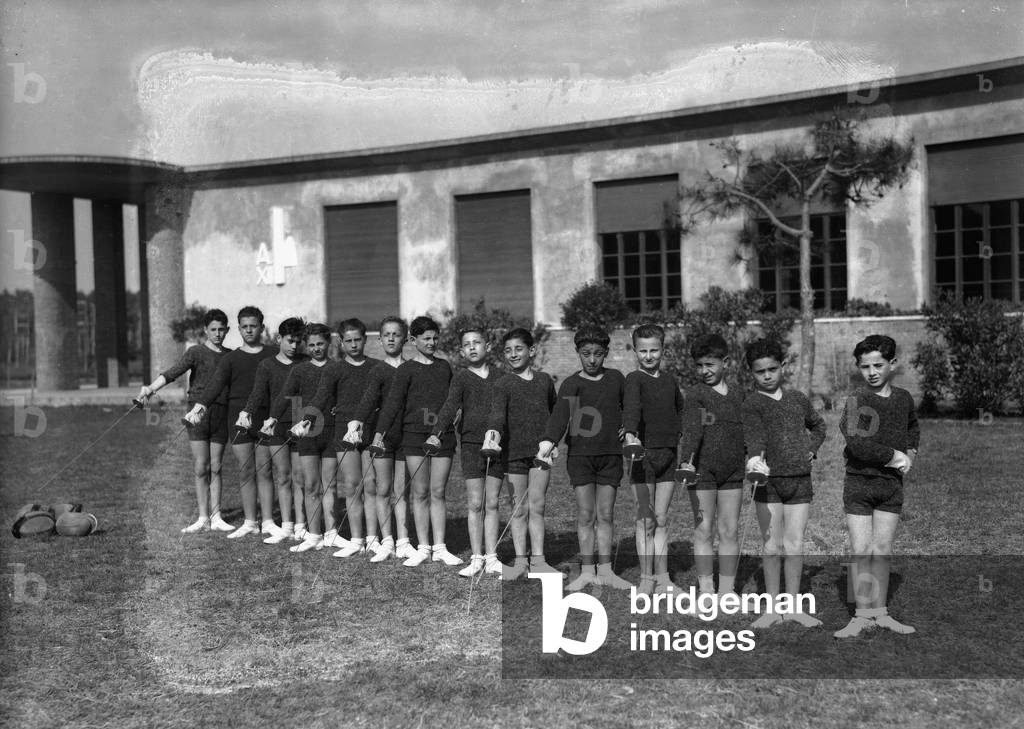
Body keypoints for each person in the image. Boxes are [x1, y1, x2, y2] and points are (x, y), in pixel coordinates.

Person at [835, 334, 920, 638]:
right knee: (861, 551)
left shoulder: (903, 398)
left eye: (878, 365)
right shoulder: (858, 399)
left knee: (881, 550)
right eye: (865, 366)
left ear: (892, 364)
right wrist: (893, 455)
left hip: (891, 487)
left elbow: (912, 427)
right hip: (859, 484)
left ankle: (880, 612)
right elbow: (857, 443)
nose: (872, 372)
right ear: (858, 367)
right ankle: (860, 615)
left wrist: (910, 453)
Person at [741, 338, 826, 628]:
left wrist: (811, 448)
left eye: (772, 369)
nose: (766, 376)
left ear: (783, 367)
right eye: (759, 371)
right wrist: (754, 460)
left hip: (800, 483)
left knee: (794, 544)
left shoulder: (798, 399)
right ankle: (772, 609)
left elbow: (819, 425)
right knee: (771, 545)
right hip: (768, 485)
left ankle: (793, 607)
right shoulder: (752, 403)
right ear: (751, 373)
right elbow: (753, 437)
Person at [540, 326, 630, 591]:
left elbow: (630, 407)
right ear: (578, 352)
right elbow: (559, 418)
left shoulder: (616, 379)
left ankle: (606, 570)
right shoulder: (571, 383)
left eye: (598, 354)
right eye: (586, 354)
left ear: (606, 354)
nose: (592, 360)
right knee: (585, 514)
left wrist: (629, 425)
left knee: (605, 514)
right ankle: (587, 570)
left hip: (610, 456)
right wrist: (549, 441)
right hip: (580, 457)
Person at [371, 315, 461, 568]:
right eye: (426, 338)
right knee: (420, 492)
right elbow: (392, 405)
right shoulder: (406, 370)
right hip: (414, 437)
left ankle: (440, 547)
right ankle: (423, 547)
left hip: (442, 436)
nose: (432, 343)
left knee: (439, 491)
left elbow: (452, 402)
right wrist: (379, 435)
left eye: (435, 338)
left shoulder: (444, 367)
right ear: (413, 340)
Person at [185, 306, 278, 539]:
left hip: (265, 418)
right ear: (238, 329)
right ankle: (249, 521)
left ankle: (267, 521)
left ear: (261, 327)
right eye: (244, 327)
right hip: (238, 418)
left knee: (265, 469)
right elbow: (215, 385)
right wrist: (200, 405)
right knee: (246, 469)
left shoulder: (272, 354)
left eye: (253, 326)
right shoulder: (231, 358)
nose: (249, 330)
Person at [138, 308, 233, 533]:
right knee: (202, 466)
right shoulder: (196, 352)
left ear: (227, 330)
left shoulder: (231, 356)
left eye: (221, 330)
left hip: (222, 412)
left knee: (217, 466)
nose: (218, 334)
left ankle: (216, 515)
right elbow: (173, 372)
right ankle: (202, 517)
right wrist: (151, 388)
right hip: (197, 415)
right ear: (205, 331)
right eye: (213, 330)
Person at [427, 327, 503, 577]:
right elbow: (450, 406)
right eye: (467, 344)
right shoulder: (461, 377)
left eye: (477, 342)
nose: (472, 347)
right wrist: (437, 432)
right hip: (471, 445)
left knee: (492, 503)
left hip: (497, 445)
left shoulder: (501, 376)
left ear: (488, 346)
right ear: (461, 351)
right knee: (475, 503)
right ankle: (477, 557)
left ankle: (492, 557)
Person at [485, 328, 558, 580]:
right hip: (513, 454)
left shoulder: (545, 381)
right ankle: (519, 562)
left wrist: (552, 442)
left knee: (537, 506)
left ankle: (538, 561)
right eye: (507, 350)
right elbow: (496, 414)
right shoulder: (503, 383)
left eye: (518, 349)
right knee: (518, 509)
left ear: (532, 351)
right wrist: (493, 433)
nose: (513, 354)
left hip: (540, 455)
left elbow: (555, 414)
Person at [309, 319, 384, 557]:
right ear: (341, 343)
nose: (353, 344)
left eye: (357, 339)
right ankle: (356, 539)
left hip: (370, 430)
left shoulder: (376, 367)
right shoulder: (334, 369)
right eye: (348, 340)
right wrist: (307, 418)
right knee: (352, 485)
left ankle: (373, 538)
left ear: (365, 339)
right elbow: (322, 396)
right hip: (344, 432)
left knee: (371, 483)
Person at [678, 333, 745, 598]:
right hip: (702, 472)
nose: (704, 371)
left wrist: (755, 458)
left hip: (733, 472)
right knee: (704, 529)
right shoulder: (695, 394)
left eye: (710, 364)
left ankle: (727, 591)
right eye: (699, 365)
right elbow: (691, 431)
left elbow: (749, 431)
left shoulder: (739, 394)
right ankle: (707, 591)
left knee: (729, 530)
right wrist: (687, 461)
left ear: (725, 362)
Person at [622, 324, 684, 595]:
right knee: (645, 520)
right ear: (635, 351)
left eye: (654, 350)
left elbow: (681, 412)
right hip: (641, 456)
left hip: (669, 455)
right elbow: (632, 408)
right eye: (643, 351)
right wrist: (631, 435)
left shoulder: (670, 380)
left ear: (663, 350)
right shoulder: (634, 379)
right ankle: (646, 578)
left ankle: (664, 579)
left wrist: (682, 435)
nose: (648, 356)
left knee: (661, 519)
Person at [345, 316, 413, 562]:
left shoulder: (412, 368)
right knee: (382, 489)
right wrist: (357, 421)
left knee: (401, 490)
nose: (392, 338)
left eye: (396, 334)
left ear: (405, 338)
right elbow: (368, 400)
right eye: (387, 335)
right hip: (382, 437)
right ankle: (387, 540)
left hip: (408, 436)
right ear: (380, 339)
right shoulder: (377, 371)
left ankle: (404, 541)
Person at [267, 322, 334, 553]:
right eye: (312, 344)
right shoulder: (301, 370)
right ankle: (313, 534)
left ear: (329, 343)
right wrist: (273, 418)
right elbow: (284, 397)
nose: (316, 348)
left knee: (330, 485)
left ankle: (332, 533)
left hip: (332, 431)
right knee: (311, 485)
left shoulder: (337, 367)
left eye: (321, 344)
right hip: (309, 432)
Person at [241, 317, 308, 544]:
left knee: (300, 477)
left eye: (299, 341)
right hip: (277, 427)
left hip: (301, 426)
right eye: (290, 341)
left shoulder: (306, 362)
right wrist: (247, 411)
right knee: (283, 476)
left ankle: (301, 525)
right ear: (279, 339)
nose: (294, 346)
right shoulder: (267, 365)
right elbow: (258, 393)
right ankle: (287, 525)